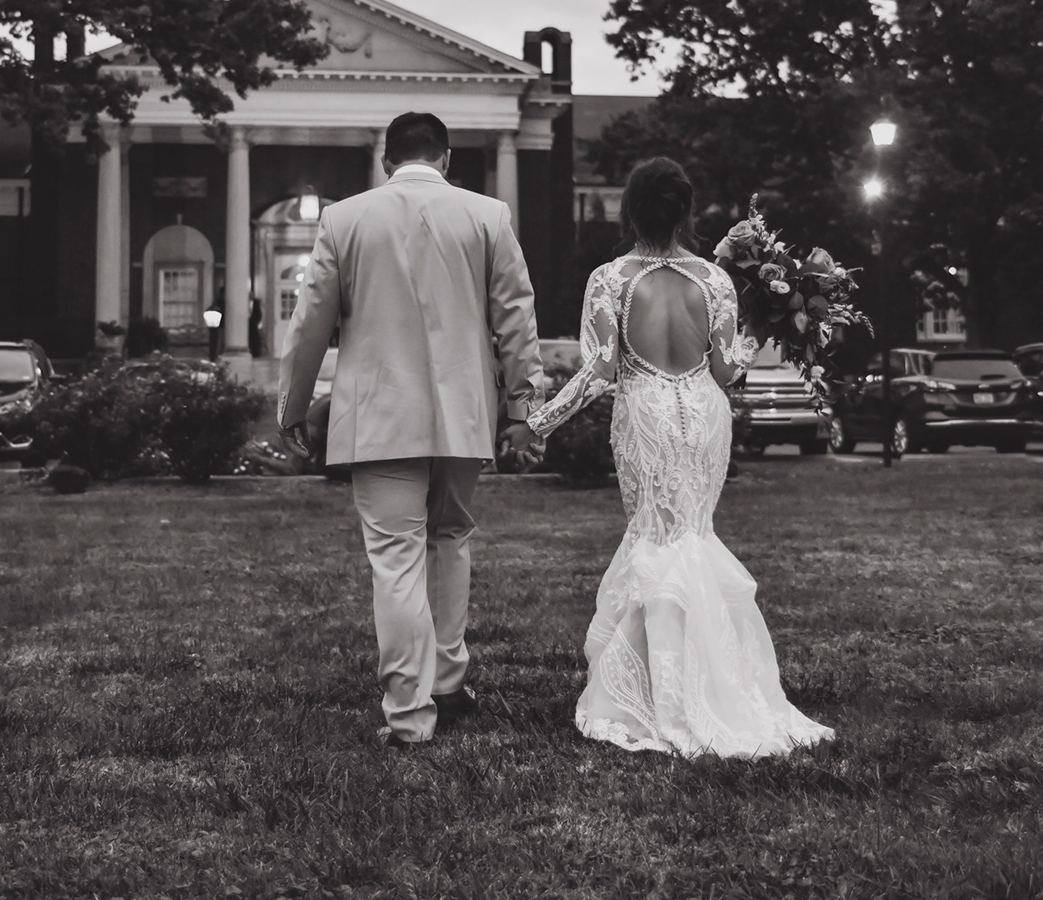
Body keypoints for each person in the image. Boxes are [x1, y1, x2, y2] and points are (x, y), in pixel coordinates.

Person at [527, 157, 834, 758]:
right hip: (703, 414)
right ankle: (716, 681)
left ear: (629, 210)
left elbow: (600, 370)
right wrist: (763, 326)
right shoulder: (715, 281)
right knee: (692, 536)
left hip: (646, 413)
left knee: (656, 539)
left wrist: (540, 420)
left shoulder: (610, 278)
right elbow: (726, 370)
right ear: (686, 213)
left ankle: (658, 692)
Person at [277, 111, 544, 747]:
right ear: (446, 159)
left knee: (396, 560)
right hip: (463, 414)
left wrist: (293, 405)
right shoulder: (488, 216)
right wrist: (522, 409)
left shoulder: (345, 219)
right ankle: (447, 684)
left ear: (385, 160)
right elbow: (516, 316)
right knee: (450, 538)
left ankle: (408, 715)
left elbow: (310, 322)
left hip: (380, 416)